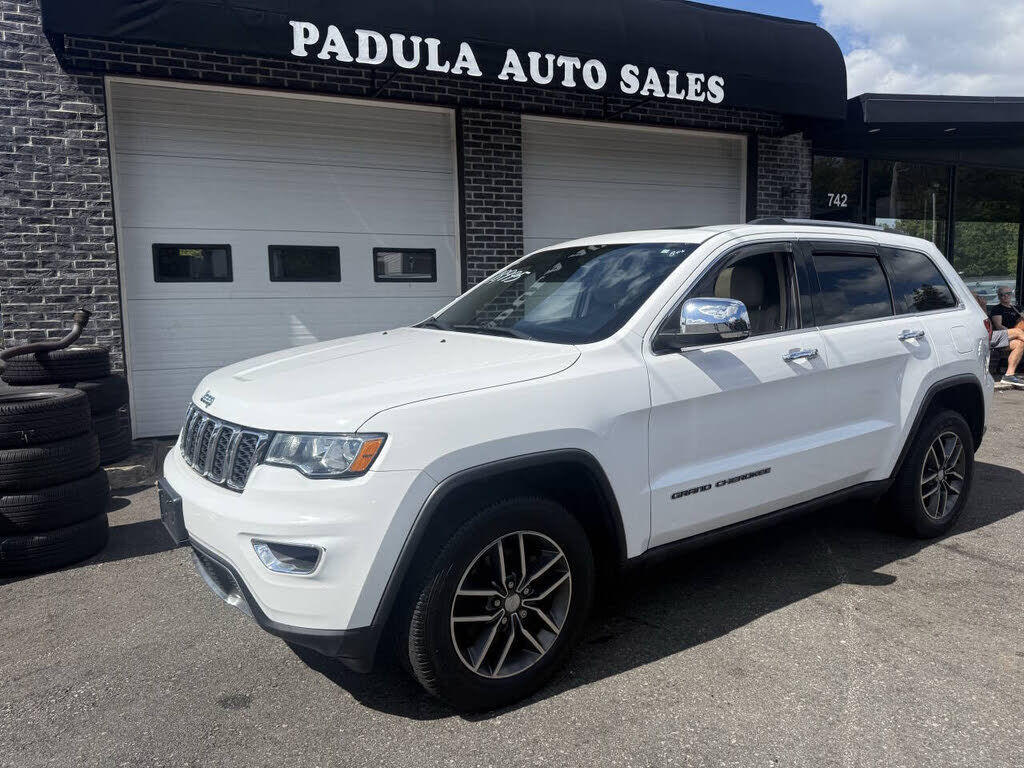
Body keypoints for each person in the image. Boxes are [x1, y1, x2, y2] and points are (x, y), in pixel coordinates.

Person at [990, 286, 1024, 388]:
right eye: (1002, 295)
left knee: (1020, 344)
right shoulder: (997, 309)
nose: (1005, 296)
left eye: (1008, 294)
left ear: (1011, 295)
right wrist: (1013, 333)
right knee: (1017, 331)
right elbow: (998, 326)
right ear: (999, 297)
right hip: (1002, 336)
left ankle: (1009, 375)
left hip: (1018, 335)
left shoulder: (1016, 309)